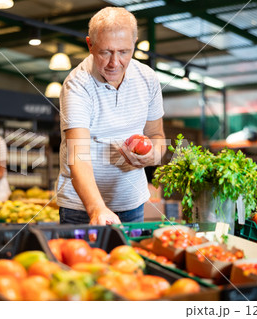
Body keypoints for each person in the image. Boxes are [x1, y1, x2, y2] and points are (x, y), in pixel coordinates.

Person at [56, 7, 166, 225]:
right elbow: (78, 156)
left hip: (132, 203)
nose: (115, 63)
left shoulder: (148, 79)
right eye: (105, 52)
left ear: (134, 43)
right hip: (81, 207)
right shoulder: (77, 85)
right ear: (90, 44)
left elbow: (157, 136)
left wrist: (151, 157)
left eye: (124, 52)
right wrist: (97, 209)